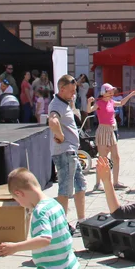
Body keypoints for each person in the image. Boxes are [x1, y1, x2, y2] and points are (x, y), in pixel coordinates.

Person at [49, 75, 88, 228]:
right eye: (71, 91)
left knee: (81, 184)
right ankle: (62, 225)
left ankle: (82, 221)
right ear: (62, 89)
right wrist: (60, 135)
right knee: (65, 189)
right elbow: (53, 121)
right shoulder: (57, 105)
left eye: (75, 91)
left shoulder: (63, 102)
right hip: (65, 153)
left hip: (70, 152)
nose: (74, 94)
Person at [87, 84, 135, 189]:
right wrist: (89, 102)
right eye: (109, 92)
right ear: (104, 92)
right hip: (103, 130)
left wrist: (131, 94)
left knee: (116, 157)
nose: (112, 94)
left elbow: (121, 103)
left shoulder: (111, 102)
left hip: (111, 130)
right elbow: (89, 110)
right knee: (102, 158)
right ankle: (97, 183)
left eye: (112, 92)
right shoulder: (99, 102)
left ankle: (116, 182)